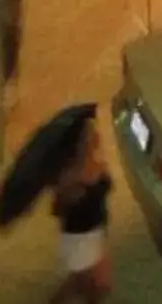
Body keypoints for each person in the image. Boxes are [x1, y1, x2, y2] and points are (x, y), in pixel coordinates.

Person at [48, 113, 113, 300]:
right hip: (81, 237)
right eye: (91, 133)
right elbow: (59, 208)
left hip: (95, 231)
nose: (97, 134)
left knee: (84, 285)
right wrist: (82, 187)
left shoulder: (93, 161)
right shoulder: (69, 176)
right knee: (96, 287)